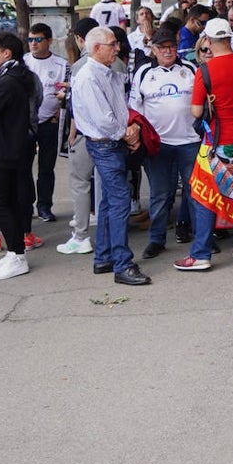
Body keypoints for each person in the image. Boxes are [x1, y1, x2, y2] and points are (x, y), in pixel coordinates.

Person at [71, 26, 152, 286]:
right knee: (118, 202)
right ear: (96, 49)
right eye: (112, 44)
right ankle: (122, 264)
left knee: (109, 201)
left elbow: (119, 107)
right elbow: (104, 120)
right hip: (105, 143)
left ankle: (104, 257)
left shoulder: (108, 72)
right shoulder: (88, 77)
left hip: (110, 141)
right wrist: (126, 133)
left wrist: (129, 129)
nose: (117, 48)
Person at [178, 18, 233, 268]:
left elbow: (195, 111)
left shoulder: (205, 71)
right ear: (229, 38)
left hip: (217, 142)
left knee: (204, 195)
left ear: (209, 41)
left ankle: (201, 254)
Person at [0, 32, 41, 281]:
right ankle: (15, 251)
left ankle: (16, 254)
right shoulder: (17, 76)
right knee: (9, 201)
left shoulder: (7, 81)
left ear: (7, 53)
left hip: (2, 148)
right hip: (12, 146)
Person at [130, 27, 199, 259]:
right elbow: (135, 109)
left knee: (195, 193)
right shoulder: (143, 73)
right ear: (154, 49)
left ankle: (201, 238)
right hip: (158, 145)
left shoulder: (190, 69)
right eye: (162, 47)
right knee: (160, 194)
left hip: (190, 141)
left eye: (171, 46)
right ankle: (156, 240)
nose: (167, 51)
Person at [57, 18, 99, 257]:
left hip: (86, 132)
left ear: (80, 39)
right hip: (114, 133)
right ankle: (108, 232)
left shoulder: (81, 65)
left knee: (80, 182)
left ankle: (81, 235)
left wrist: (72, 133)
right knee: (109, 184)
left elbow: (77, 104)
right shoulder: (116, 64)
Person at [24, 23, 70, 223]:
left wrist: (59, 115)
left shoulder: (61, 64)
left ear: (49, 41)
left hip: (49, 122)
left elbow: (68, 92)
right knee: (24, 167)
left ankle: (44, 206)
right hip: (26, 124)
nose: (33, 44)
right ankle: (27, 205)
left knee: (46, 167)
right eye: (30, 39)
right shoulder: (23, 62)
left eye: (38, 39)